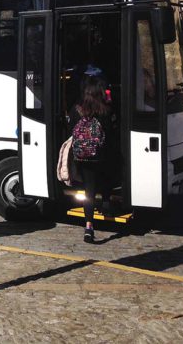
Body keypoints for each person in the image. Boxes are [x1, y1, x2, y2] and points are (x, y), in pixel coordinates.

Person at [69, 75, 114, 243]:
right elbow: (109, 133)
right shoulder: (105, 110)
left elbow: (71, 130)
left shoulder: (76, 109)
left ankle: (89, 227)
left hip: (81, 156)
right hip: (99, 156)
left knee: (89, 190)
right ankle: (107, 203)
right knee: (109, 170)